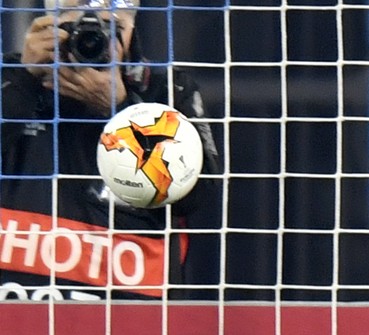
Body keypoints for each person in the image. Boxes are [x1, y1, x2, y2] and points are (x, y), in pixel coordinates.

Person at [1, 0, 221, 300]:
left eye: (110, 27)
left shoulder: (166, 91)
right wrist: (23, 81)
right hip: (15, 317)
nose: (91, 38)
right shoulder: (11, 78)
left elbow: (201, 196)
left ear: (131, 24)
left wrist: (121, 110)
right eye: (73, 23)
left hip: (127, 325)